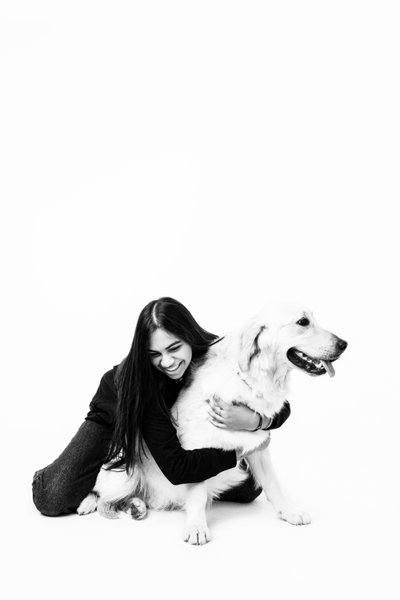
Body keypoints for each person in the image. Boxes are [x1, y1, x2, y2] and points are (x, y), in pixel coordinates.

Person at [32, 297, 291, 516]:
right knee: (53, 496)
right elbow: (177, 468)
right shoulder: (145, 387)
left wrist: (255, 422)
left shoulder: (214, 351)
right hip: (117, 413)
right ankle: (108, 474)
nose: (167, 362)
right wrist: (243, 447)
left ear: (189, 337)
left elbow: (276, 402)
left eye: (174, 348)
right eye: (154, 354)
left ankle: (134, 488)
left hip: (170, 425)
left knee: (248, 489)